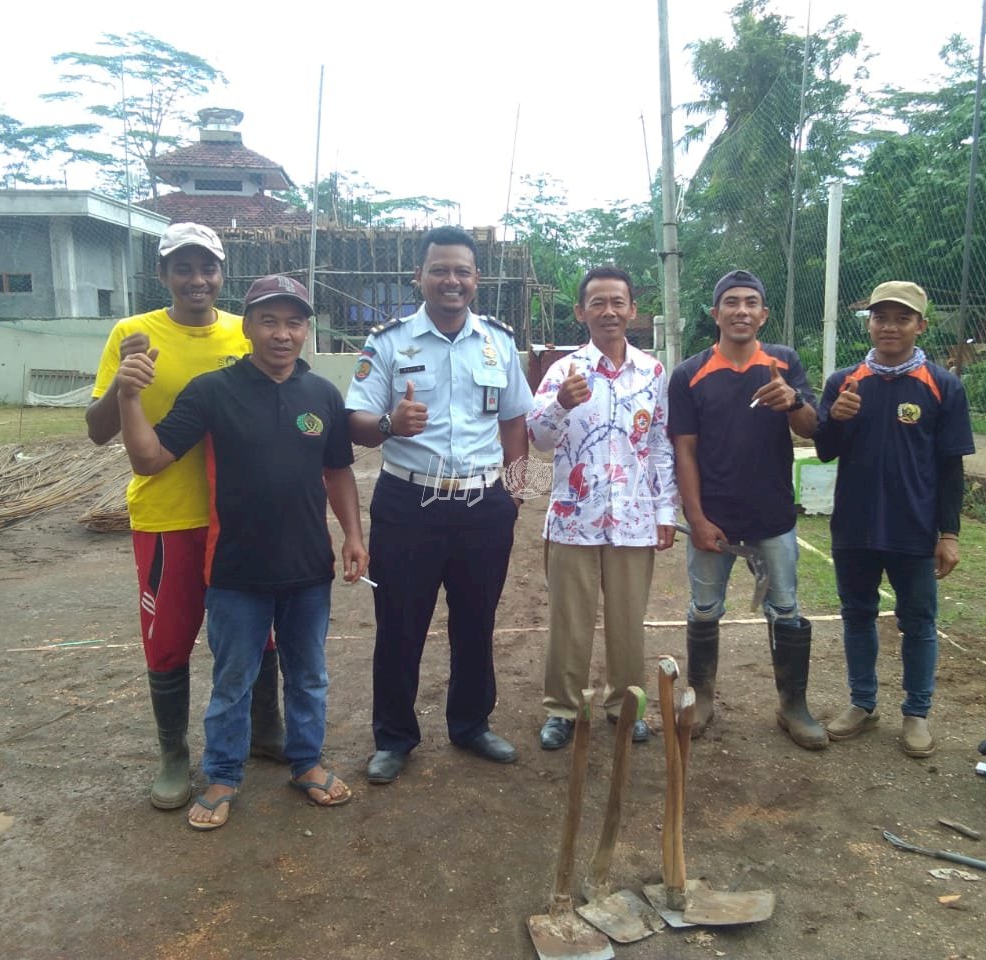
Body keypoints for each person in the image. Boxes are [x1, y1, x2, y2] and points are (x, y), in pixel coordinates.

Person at [114, 274, 368, 829]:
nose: (283, 334)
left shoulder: (321, 394)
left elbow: (338, 470)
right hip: (234, 571)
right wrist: (128, 396)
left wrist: (352, 535)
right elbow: (150, 459)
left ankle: (306, 762)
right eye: (270, 321)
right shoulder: (212, 390)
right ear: (247, 326)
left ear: (307, 329)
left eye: (294, 322)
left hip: (307, 570)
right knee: (233, 678)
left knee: (309, 675)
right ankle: (224, 773)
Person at [85, 222, 286, 811]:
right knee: (169, 640)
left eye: (208, 268)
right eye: (183, 268)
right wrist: (121, 389)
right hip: (169, 517)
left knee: (258, 634)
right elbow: (98, 434)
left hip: (244, 518)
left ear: (223, 273)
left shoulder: (244, 331)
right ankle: (174, 754)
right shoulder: (133, 334)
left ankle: (266, 731)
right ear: (162, 274)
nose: (197, 280)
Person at [345, 225, 532, 785]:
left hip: (483, 504)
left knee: (476, 621)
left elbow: (515, 420)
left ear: (476, 279)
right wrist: (389, 423)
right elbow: (355, 420)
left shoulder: (499, 343)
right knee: (399, 624)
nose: (451, 280)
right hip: (408, 504)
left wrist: (516, 491)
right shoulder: (388, 343)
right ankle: (395, 737)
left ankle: (471, 723)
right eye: (440, 270)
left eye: (462, 271)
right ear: (419, 277)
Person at [813, 281, 974, 758]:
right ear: (870, 323)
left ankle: (916, 714)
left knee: (919, 621)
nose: (889, 326)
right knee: (857, 615)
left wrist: (949, 533)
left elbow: (951, 467)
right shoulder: (844, 381)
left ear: (920, 325)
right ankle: (862, 704)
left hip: (913, 528)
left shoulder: (942, 385)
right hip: (855, 526)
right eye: (881, 317)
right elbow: (824, 451)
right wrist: (837, 417)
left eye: (901, 318)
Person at [667, 269, 826, 749]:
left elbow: (810, 428)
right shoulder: (689, 373)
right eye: (731, 302)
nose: (741, 310)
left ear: (764, 314)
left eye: (751, 302)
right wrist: (696, 518)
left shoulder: (783, 362)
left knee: (786, 609)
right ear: (715, 314)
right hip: (714, 518)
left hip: (773, 516)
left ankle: (793, 705)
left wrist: (792, 399)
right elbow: (685, 451)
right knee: (705, 608)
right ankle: (703, 697)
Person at [527, 266, 678, 750]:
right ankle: (563, 709)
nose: (608, 311)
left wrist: (664, 512)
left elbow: (659, 446)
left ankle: (625, 707)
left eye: (618, 302)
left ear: (632, 310)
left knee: (628, 622)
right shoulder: (562, 372)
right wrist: (561, 406)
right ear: (581, 312)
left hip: (633, 519)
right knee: (570, 622)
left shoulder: (653, 372)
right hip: (574, 519)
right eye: (598, 302)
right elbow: (539, 441)